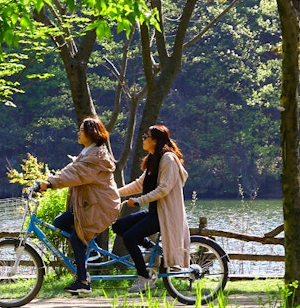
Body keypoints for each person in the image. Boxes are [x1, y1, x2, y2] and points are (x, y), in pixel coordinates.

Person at [36, 116, 121, 295]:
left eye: (81, 130)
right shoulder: (88, 153)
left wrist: (50, 183)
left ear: (91, 134)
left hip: (100, 206)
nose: (78, 133)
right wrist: (48, 182)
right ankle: (88, 251)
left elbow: (76, 173)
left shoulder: (97, 157)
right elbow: (70, 170)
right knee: (60, 222)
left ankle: (83, 281)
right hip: (89, 204)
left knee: (77, 237)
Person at [113, 124, 190, 293]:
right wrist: (115, 194)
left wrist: (139, 200)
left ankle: (144, 278)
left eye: (145, 137)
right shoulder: (153, 159)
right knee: (118, 226)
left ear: (155, 140)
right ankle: (151, 248)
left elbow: (163, 189)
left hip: (165, 214)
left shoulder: (168, 159)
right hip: (155, 212)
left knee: (129, 238)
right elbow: (139, 184)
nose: (143, 139)